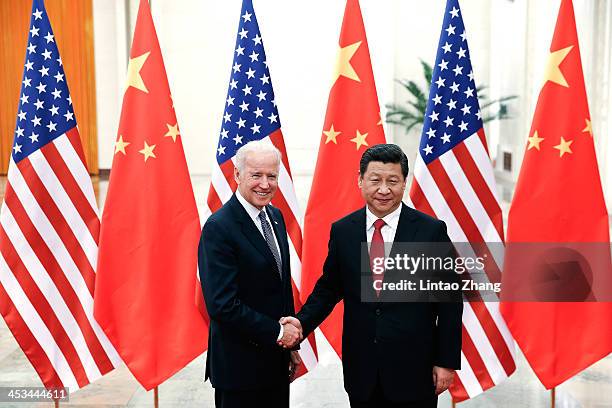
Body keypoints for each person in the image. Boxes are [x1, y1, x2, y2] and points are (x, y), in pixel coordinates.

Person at [281, 144, 463, 408]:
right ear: (360, 180)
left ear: (404, 183)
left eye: (393, 181)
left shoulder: (430, 231)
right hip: (362, 370)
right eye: (375, 180)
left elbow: (449, 302)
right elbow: (329, 289)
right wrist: (300, 324)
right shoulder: (344, 231)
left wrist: (445, 362)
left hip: (415, 370)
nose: (384, 190)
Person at [199, 140, 302, 408]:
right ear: (237, 175)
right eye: (256, 175)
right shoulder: (219, 227)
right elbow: (222, 304)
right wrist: (279, 333)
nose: (265, 184)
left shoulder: (276, 217)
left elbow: (280, 284)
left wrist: (289, 346)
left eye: (272, 176)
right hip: (239, 371)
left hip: (275, 364)